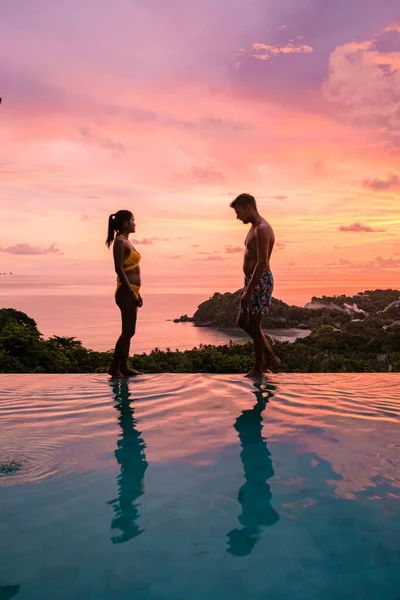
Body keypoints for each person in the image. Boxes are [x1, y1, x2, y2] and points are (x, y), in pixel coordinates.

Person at [230, 193, 281, 379]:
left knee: (254, 323)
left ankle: (259, 367)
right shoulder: (253, 228)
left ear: (248, 207)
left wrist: (250, 290)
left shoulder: (262, 229)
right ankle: (270, 357)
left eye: (238, 212)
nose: (237, 216)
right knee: (243, 322)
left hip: (260, 281)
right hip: (251, 280)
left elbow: (261, 262)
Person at [106, 210, 143, 377]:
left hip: (132, 291)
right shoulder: (120, 242)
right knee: (127, 331)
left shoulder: (127, 241)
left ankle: (124, 367)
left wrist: (138, 293)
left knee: (130, 331)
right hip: (125, 292)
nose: (135, 223)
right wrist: (131, 291)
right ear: (126, 223)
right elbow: (119, 269)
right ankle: (115, 367)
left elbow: (132, 271)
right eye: (133, 220)